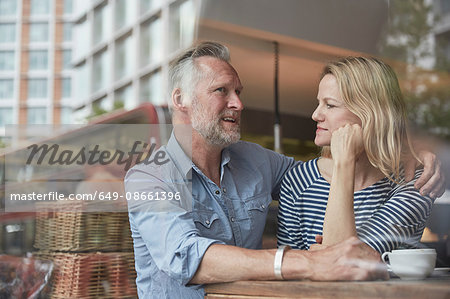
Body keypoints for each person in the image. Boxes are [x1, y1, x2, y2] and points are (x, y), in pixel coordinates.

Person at [125, 43, 444, 298]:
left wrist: (410, 151)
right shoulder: (149, 177)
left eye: (239, 92)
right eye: (222, 90)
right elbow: (185, 257)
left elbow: (322, 173)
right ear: (181, 99)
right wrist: (308, 261)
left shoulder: (257, 162)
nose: (238, 103)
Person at [277, 57, 438, 254]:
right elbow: (293, 269)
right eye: (319, 103)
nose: (315, 115)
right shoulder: (298, 180)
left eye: (330, 105)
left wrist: (345, 161)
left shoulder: (414, 182)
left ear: (370, 114)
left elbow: (346, 261)